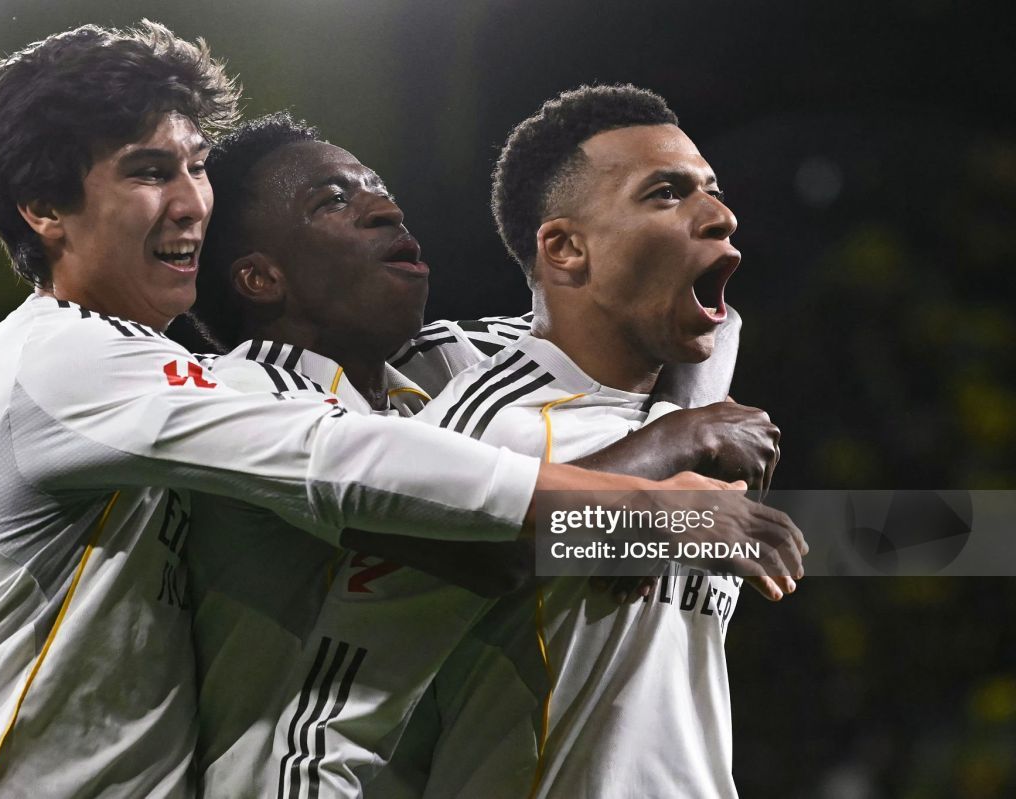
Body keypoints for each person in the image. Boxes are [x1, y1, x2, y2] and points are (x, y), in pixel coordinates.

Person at [0, 25, 709, 797]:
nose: (192, 201)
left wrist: (701, 350)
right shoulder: (72, 361)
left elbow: (584, 335)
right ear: (44, 208)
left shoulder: (154, 377)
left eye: (196, 165)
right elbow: (347, 466)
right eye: (149, 172)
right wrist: (641, 495)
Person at [184, 112, 803, 797]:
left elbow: (678, 319)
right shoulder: (247, 403)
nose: (386, 209)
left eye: (378, 186)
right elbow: (483, 545)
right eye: (334, 200)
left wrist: (683, 426)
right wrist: (653, 491)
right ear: (260, 278)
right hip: (288, 777)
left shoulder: (439, 365)